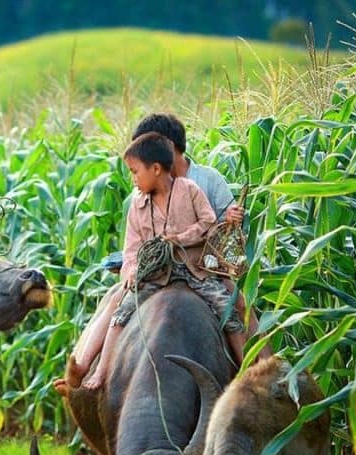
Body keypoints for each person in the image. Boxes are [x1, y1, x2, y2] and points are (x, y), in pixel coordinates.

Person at [73, 132, 247, 391]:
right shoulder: (137, 204)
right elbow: (132, 248)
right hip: (154, 274)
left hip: (194, 270)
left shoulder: (190, 190)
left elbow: (208, 223)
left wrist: (178, 238)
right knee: (121, 314)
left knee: (227, 309)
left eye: (135, 172)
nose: (132, 179)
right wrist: (131, 270)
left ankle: (246, 371)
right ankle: (101, 371)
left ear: (156, 169)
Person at [132, 113, 270, 359]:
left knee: (237, 303)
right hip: (158, 270)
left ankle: (266, 366)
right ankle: (88, 371)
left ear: (167, 147)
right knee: (114, 306)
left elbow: (227, 227)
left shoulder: (208, 178)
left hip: (206, 266)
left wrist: (231, 218)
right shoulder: (145, 189)